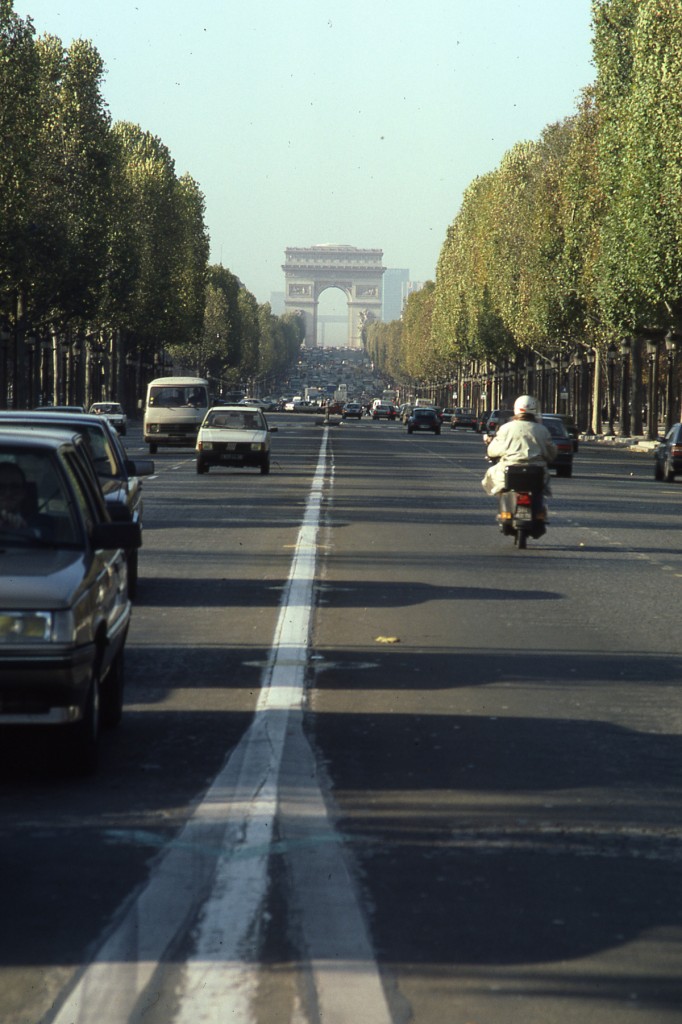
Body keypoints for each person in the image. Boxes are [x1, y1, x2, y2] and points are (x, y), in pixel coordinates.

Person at [481, 394, 557, 496]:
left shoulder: (506, 428)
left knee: (491, 474)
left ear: (516, 409)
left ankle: (503, 507)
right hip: (536, 471)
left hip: (509, 468)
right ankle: (540, 510)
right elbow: (552, 453)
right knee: (543, 490)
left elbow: (492, 451)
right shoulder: (542, 430)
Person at [0, 462, 30, 530]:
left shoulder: (41, 523)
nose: (8, 493)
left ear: (23, 492)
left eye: (15, 487)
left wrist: (25, 530)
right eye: (1, 487)